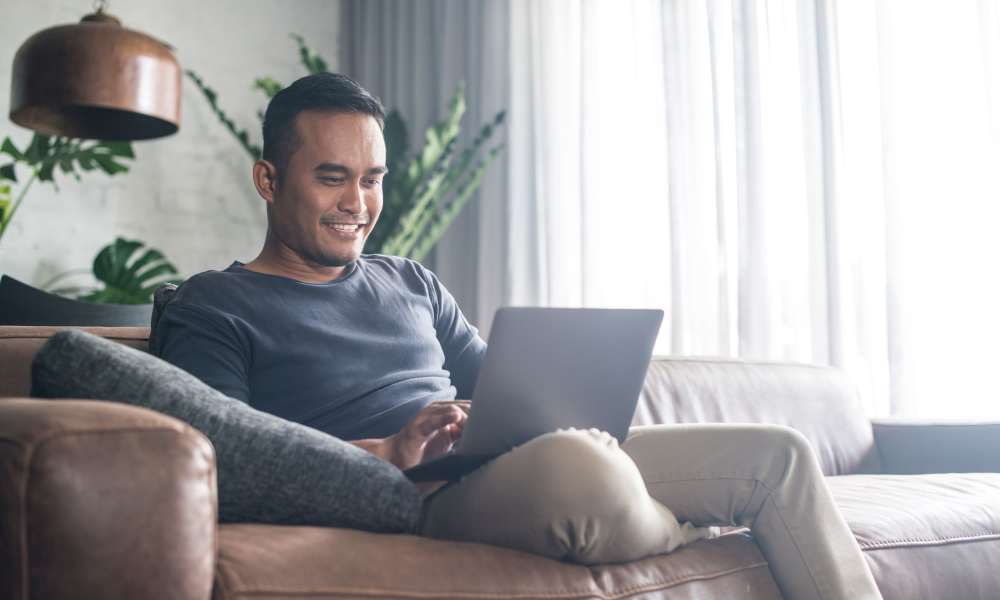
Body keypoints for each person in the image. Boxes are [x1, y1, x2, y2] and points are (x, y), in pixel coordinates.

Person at [154, 73, 882, 600]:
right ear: (269, 179)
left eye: (372, 179)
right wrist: (389, 451)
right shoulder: (214, 305)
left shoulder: (410, 281)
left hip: (513, 464)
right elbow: (225, 462)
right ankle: (679, 525)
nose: (358, 203)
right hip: (418, 496)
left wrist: (541, 403)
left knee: (776, 456)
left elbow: (506, 389)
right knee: (581, 470)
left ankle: (638, 500)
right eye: (333, 178)